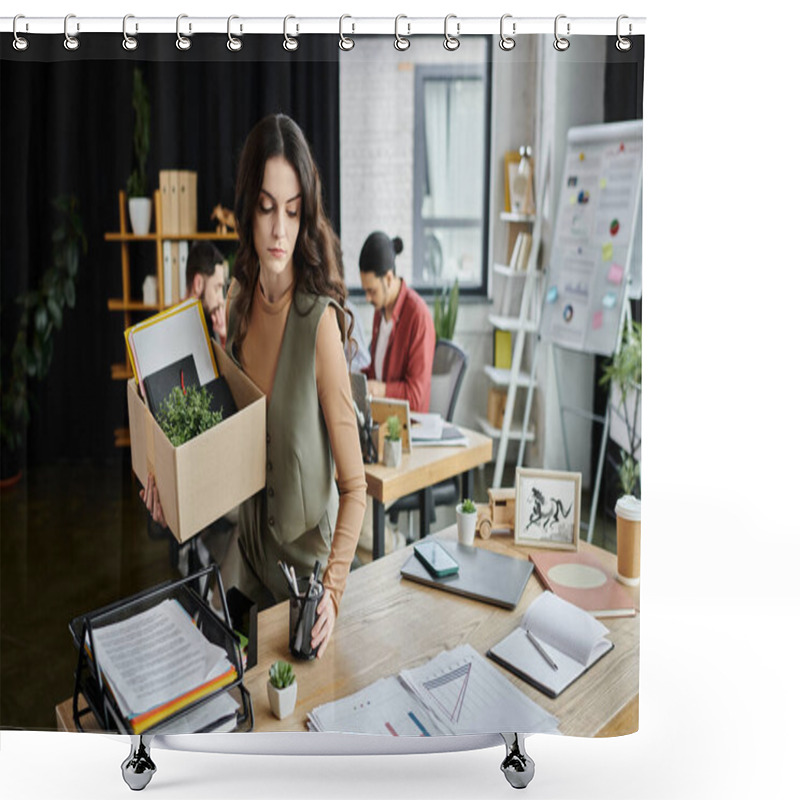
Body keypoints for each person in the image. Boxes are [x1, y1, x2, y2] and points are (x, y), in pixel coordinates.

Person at [142, 114, 367, 658]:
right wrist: (171, 495)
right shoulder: (239, 310)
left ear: (305, 214)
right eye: (267, 208)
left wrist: (333, 595)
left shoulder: (320, 327)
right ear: (248, 208)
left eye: (292, 211)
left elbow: (356, 489)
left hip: (305, 594)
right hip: (244, 573)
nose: (279, 230)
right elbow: (229, 458)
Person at [359, 231, 435, 412]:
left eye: (372, 291)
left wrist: (380, 389)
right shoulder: (380, 311)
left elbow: (416, 397)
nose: (367, 298)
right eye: (365, 291)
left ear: (388, 278)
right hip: (383, 419)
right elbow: (378, 373)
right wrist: (355, 380)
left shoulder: (418, 316)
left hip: (407, 429)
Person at [185, 241, 228, 347]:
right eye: (217, 288)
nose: (221, 300)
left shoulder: (210, 326)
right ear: (198, 284)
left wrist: (224, 339)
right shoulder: (178, 334)